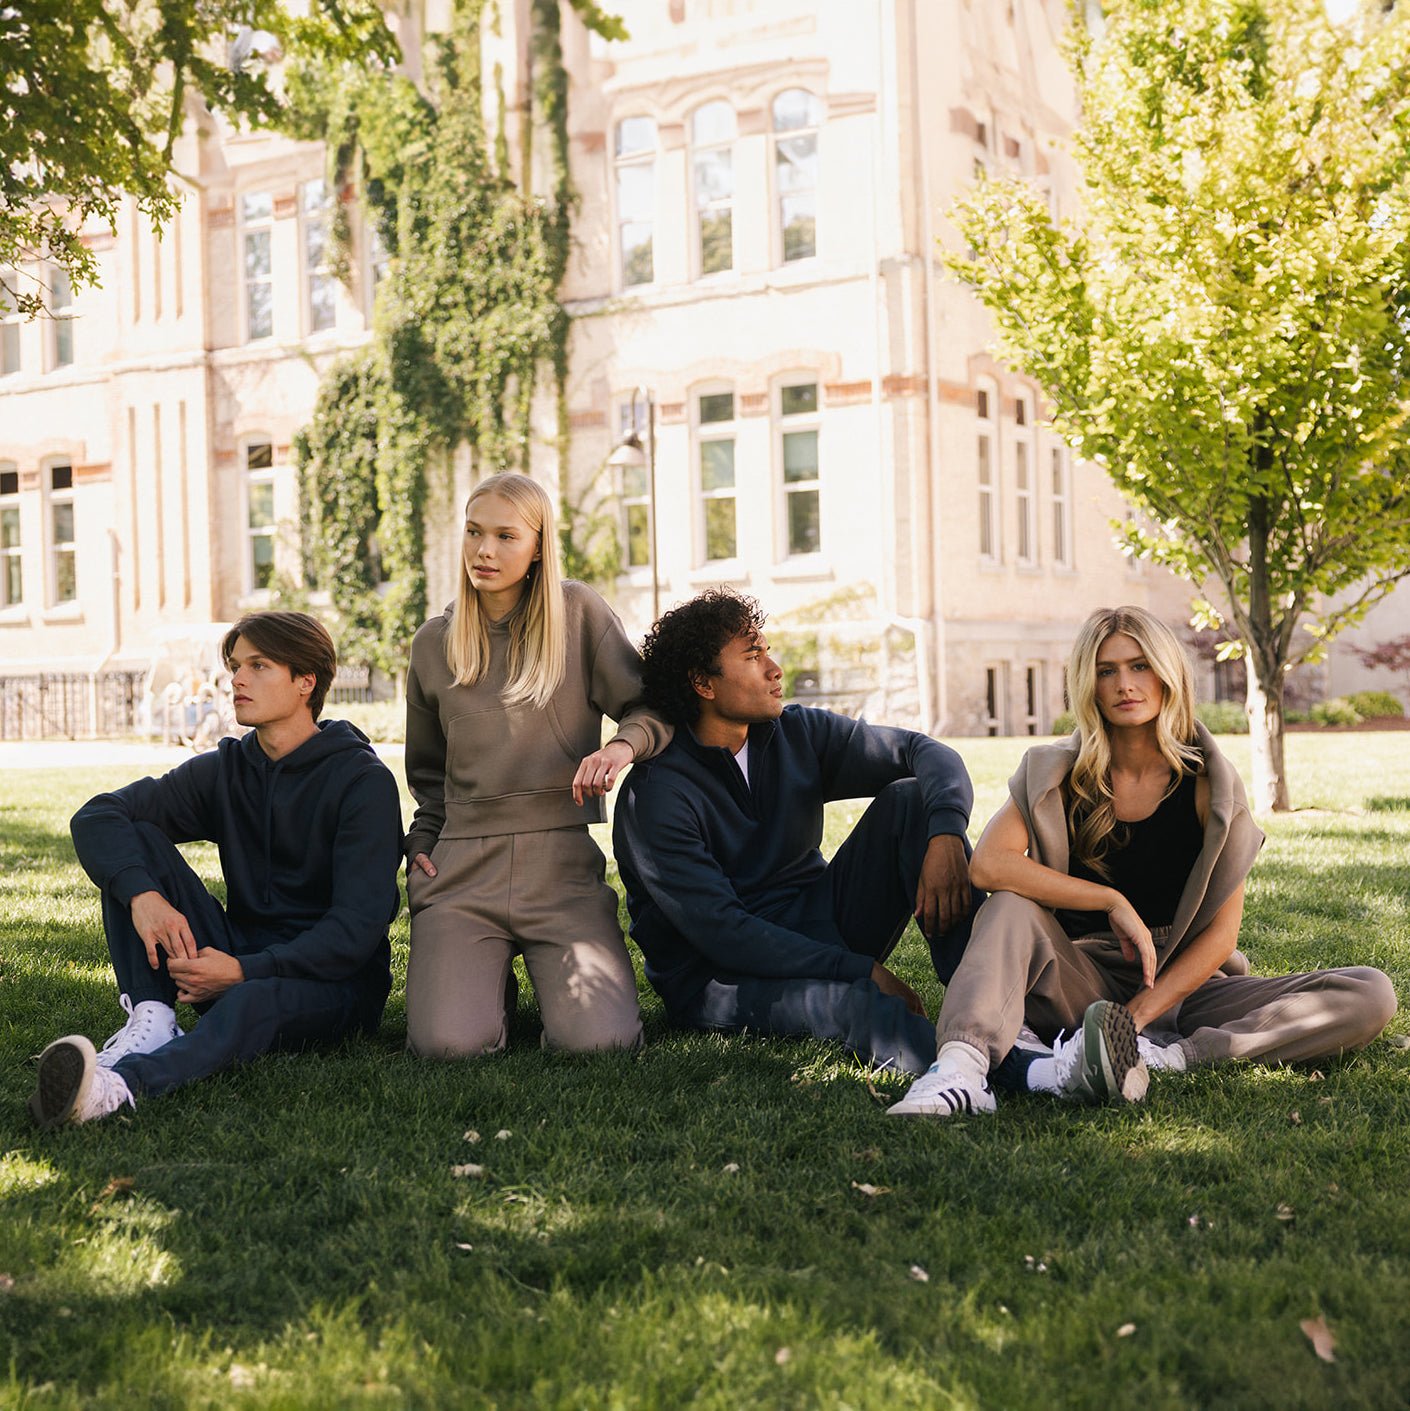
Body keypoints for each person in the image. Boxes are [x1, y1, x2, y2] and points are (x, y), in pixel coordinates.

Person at [890, 605, 1398, 1118]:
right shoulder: (1057, 773)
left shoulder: (1209, 786)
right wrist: (1109, 900)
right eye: (1106, 671)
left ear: (1167, 673)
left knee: (1369, 992)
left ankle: (1169, 1057)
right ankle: (960, 1071)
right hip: (1080, 976)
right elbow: (989, 867)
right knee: (1008, 908)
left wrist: (1135, 1020)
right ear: (1088, 684)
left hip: (1186, 987)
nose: (1124, 685)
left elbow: (1221, 939)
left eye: (1139, 666)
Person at [30, 612, 403, 1129]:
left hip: (335, 986)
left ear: (305, 682)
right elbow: (97, 815)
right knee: (133, 839)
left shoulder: (363, 782)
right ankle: (153, 1018)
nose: (237, 680)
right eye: (234, 666)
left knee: (252, 1001)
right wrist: (144, 896)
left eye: (258, 665)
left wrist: (244, 971)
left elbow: (356, 931)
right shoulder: (228, 768)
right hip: (231, 957)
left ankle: (117, 1090)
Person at [613, 588, 977, 1075]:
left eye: (766, 650)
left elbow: (924, 751)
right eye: (752, 655)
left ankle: (996, 1012)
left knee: (912, 801)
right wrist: (858, 969)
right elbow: (725, 933)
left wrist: (946, 835)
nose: (774, 668)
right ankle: (980, 1074)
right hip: (721, 978)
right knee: (851, 1005)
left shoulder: (793, 732)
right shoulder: (656, 793)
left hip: (817, 923)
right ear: (703, 683)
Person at [402, 471, 671, 1057]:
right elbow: (428, 773)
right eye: (474, 533)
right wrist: (423, 841)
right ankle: (484, 981)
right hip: (462, 869)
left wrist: (622, 746)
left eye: (505, 536)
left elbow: (649, 704)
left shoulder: (579, 614)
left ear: (538, 545)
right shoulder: (432, 643)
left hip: (561, 866)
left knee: (602, 1044)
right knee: (447, 1046)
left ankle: (511, 980)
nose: (485, 551)